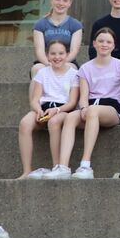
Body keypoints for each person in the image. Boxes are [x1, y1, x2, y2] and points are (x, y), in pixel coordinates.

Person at [50, 28, 120, 179]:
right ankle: (63, 167)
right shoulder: (85, 68)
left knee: (93, 111)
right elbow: (84, 96)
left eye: (108, 42)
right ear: (94, 44)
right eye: (101, 41)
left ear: (113, 45)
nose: (104, 44)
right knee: (70, 117)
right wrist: (84, 107)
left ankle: (85, 166)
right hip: (90, 106)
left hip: (111, 109)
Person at [18, 39, 79, 178]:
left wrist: (56, 110)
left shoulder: (74, 74)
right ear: (47, 55)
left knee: (54, 122)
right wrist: (38, 110)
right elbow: (35, 99)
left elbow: (72, 102)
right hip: (44, 109)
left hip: (63, 110)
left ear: (67, 54)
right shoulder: (43, 73)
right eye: (53, 54)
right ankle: (26, 170)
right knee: (24, 123)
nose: (57, 57)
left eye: (61, 53)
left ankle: (57, 166)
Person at [31, 0, 82, 79]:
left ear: (70, 3)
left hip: (67, 62)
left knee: (71, 69)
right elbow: (39, 50)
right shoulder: (40, 24)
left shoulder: (76, 25)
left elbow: (74, 51)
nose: (61, 3)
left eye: (65, 0)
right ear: (51, 1)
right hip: (45, 62)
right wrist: (48, 64)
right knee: (37, 69)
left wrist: (61, 64)